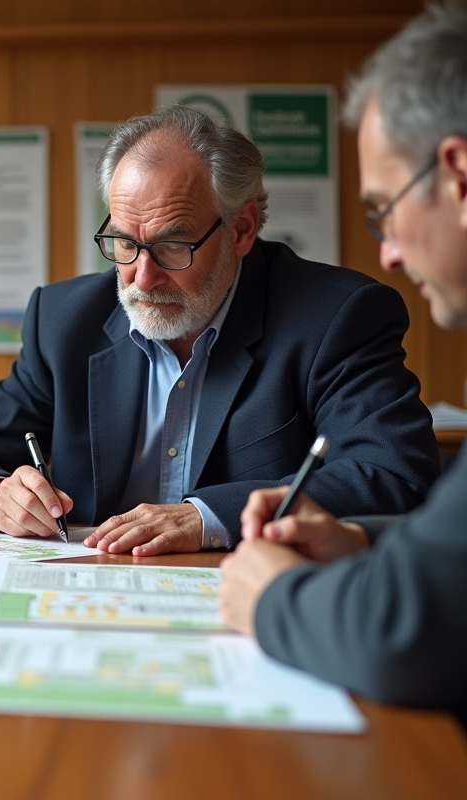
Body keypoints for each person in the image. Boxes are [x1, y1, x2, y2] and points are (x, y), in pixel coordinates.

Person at [0, 105, 440, 556]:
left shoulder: (335, 316)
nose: (142, 276)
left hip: (247, 597)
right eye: (123, 242)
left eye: (171, 246)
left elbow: (393, 475)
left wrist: (208, 518)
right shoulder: (64, 321)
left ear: (241, 229)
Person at [221, 1, 467, 723]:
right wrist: (360, 540)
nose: (387, 251)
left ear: (457, 173)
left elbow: (405, 633)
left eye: (384, 209)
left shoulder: (338, 313)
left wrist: (272, 599)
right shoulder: (69, 315)